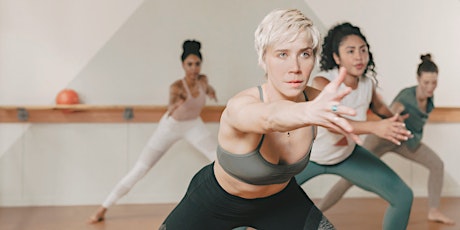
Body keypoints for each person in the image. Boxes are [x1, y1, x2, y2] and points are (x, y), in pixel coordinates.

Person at [160, 9, 364, 230]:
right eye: (282, 54)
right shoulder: (241, 105)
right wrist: (307, 112)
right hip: (216, 203)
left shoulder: (315, 101)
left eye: (304, 54)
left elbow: (347, 123)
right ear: (263, 59)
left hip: (281, 202)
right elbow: (269, 118)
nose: (295, 68)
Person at [295, 22, 414, 230]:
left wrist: (395, 119)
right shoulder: (322, 82)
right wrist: (375, 128)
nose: (359, 57)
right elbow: (333, 123)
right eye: (350, 51)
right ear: (337, 57)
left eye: (363, 50)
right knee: (251, 200)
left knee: (403, 195)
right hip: (307, 158)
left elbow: (379, 107)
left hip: (346, 156)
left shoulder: (367, 84)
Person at [88, 40, 218, 224]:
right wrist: (175, 105)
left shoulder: (203, 81)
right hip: (171, 126)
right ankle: (103, 207)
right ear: (183, 65)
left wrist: (212, 93)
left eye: (197, 64)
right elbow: (171, 103)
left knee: (220, 159)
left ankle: (234, 208)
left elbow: (208, 89)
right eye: (190, 64)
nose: (194, 68)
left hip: (194, 125)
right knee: (141, 168)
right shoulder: (177, 86)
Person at [317, 53, 455, 225]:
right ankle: (317, 211)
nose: (430, 87)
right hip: (381, 141)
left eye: (434, 82)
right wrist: (393, 116)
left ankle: (433, 210)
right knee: (349, 179)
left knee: (437, 164)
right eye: (426, 82)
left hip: (405, 141)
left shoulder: (429, 97)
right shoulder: (406, 97)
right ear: (418, 79)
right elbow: (390, 111)